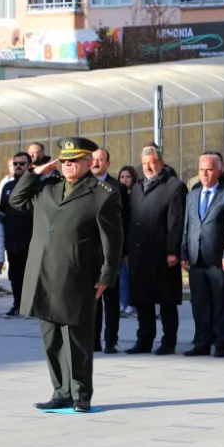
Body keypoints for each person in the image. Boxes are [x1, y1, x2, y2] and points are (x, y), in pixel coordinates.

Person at [11, 137, 123, 413]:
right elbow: (16, 200)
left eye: (74, 161)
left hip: (76, 276)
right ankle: (60, 391)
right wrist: (36, 172)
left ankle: (80, 395)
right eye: (64, 160)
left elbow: (113, 239)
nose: (68, 165)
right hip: (43, 275)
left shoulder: (103, 193)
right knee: (52, 340)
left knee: (76, 339)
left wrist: (107, 275)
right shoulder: (48, 189)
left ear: (89, 162)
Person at [125, 146, 187, 355]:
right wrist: (126, 251)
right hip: (139, 254)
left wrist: (173, 251)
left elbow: (176, 222)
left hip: (162, 256)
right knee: (142, 301)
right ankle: (144, 340)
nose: (148, 167)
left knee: (166, 302)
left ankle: (168, 341)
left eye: (152, 163)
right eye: (144, 164)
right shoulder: (136, 188)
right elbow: (130, 221)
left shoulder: (174, 187)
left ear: (161, 163)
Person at [179, 153, 224, 357]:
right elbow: (188, 226)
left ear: (219, 170)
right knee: (200, 304)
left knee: (222, 303)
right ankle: (202, 342)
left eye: (209, 169)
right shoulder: (192, 195)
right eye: (201, 169)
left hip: (219, 259)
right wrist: (184, 252)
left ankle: (221, 342)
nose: (204, 174)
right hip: (196, 258)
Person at [90, 149, 127, 351]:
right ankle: (94, 340)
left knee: (111, 299)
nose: (96, 163)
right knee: (93, 299)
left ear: (108, 163)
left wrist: (123, 251)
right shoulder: (83, 186)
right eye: (93, 160)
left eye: (100, 160)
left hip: (111, 252)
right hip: (90, 253)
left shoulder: (118, 188)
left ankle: (111, 340)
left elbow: (126, 220)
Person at [0, 152, 33, 318]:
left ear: (29, 166)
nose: (18, 166)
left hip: (31, 240)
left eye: (22, 164)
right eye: (16, 164)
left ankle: (31, 306)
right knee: (15, 275)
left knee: (30, 274)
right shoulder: (7, 187)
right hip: (12, 240)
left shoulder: (35, 186)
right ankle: (17, 304)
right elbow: (2, 211)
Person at [116, 166, 137, 317]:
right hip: (121, 242)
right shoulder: (117, 195)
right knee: (123, 275)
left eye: (128, 177)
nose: (124, 180)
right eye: (122, 177)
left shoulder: (136, 195)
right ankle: (125, 303)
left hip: (134, 241)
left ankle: (131, 303)